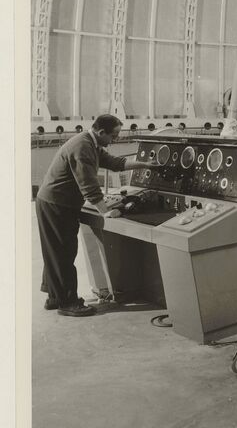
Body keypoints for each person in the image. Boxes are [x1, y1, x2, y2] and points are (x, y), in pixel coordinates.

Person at [35, 114, 160, 317]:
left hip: (58, 203)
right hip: (56, 204)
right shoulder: (83, 146)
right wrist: (106, 211)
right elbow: (89, 185)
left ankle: (55, 297)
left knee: (56, 251)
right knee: (63, 252)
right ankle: (68, 303)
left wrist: (145, 165)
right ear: (101, 132)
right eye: (114, 135)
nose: (116, 139)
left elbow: (115, 163)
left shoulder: (91, 143)